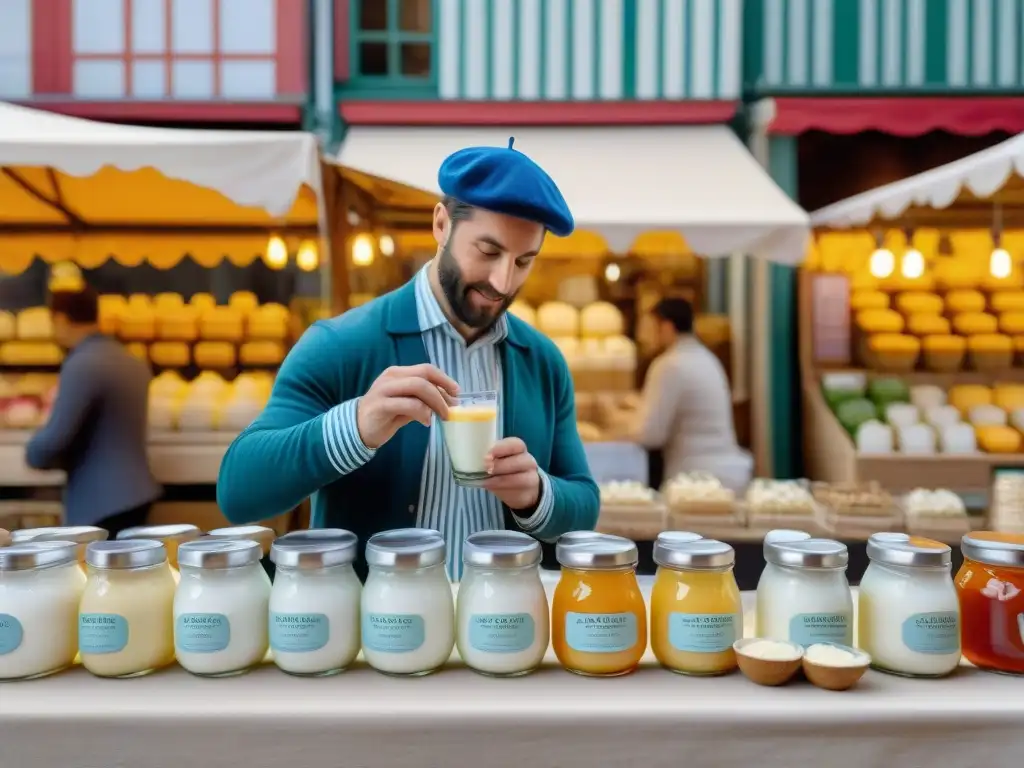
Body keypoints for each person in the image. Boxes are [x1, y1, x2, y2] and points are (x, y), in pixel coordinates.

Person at [217, 138, 599, 580]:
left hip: (502, 632)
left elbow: (584, 505)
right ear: (441, 224)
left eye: (524, 261)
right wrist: (356, 426)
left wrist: (538, 495)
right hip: (376, 639)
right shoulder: (340, 344)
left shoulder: (542, 361)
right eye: (488, 252)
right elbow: (239, 494)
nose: (502, 281)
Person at [25, 287, 160, 536]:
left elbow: (55, 438)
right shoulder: (130, 360)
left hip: (99, 501)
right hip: (137, 492)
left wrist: (32, 450)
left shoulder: (83, 364)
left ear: (61, 319)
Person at [630, 297, 752, 492]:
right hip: (727, 473)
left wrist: (613, 431)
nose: (644, 337)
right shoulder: (707, 358)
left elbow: (650, 434)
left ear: (667, 327)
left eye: (649, 328)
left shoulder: (669, 365)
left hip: (695, 480)